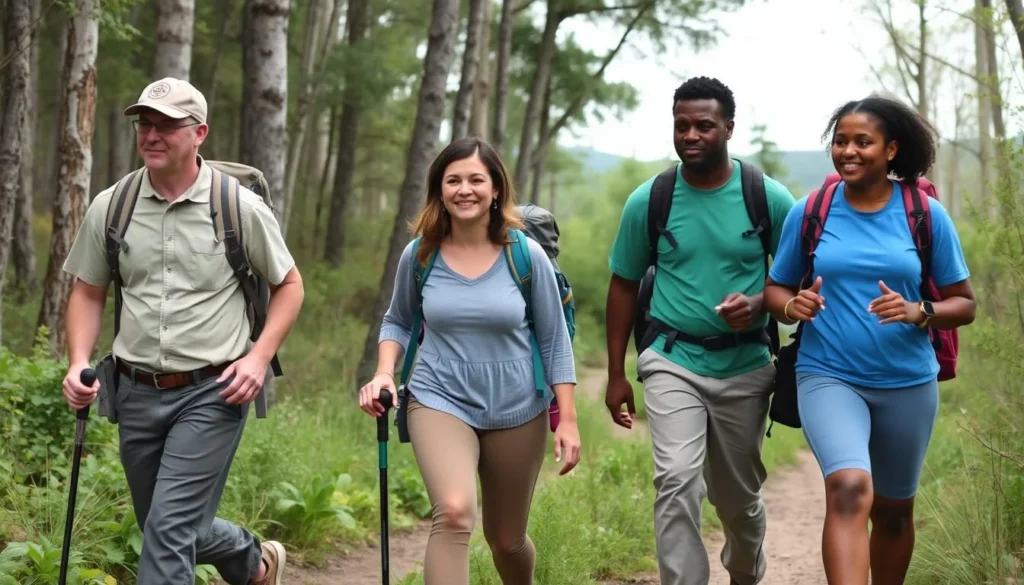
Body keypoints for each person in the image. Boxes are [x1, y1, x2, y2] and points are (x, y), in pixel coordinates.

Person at [60, 77, 304, 585]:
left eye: (167, 126)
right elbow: (87, 290)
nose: (151, 134)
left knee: (167, 530)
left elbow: (290, 285)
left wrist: (258, 358)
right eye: (144, 124)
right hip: (135, 391)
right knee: (164, 525)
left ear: (199, 134)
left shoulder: (238, 207)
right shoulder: (113, 205)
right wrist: (78, 360)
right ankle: (253, 564)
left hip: (214, 392)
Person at [763, 95, 976, 584]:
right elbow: (776, 287)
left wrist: (920, 311)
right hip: (828, 374)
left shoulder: (924, 213)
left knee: (895, 509)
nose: (849, 151)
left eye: (863, 141)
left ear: (892, 149)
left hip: (907, 381)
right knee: (849, 488)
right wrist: (791, 305)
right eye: (841, 141)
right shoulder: (811, 210)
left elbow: (964, 303)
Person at [357, 136, 581, 585]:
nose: (465, 189)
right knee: (455, 513)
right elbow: (398, 320)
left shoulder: (525, 256)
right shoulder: (420, 254)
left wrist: (568, 419)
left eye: (476, 179)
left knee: (507, 540)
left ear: (496, 188)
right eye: (453, 180)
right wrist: (384, 372)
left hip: (519, 407)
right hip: (439, 398)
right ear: (439, 190)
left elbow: (555, 341)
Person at [604, 76, 796, 585]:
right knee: (675, 481)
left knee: (738, 501)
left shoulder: (767, 198)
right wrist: (616, 374)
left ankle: (744, 572)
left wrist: (758, 303)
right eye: (681, 125)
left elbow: (799, 281)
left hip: (747, 364)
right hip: (672, 359)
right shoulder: (650, 200)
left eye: (704, 126)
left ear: (728, 127)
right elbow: (623, 286)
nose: (691, 135)